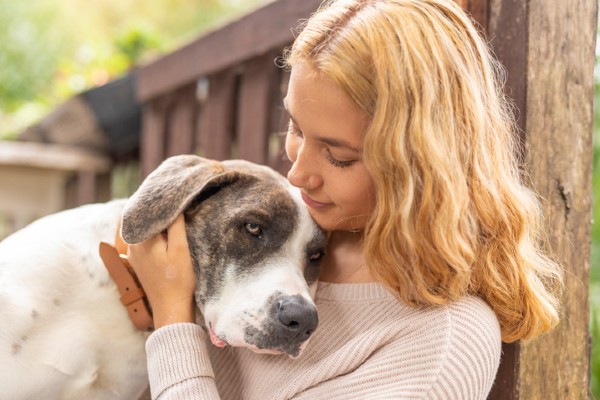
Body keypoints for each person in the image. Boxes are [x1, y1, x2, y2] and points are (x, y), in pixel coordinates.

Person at [127, 0, 563, 398]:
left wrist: (172, 320)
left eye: (338, 157)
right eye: (296, 129)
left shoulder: (442, 342)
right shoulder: (286, 230)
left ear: (420, 168)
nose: (296, 174)